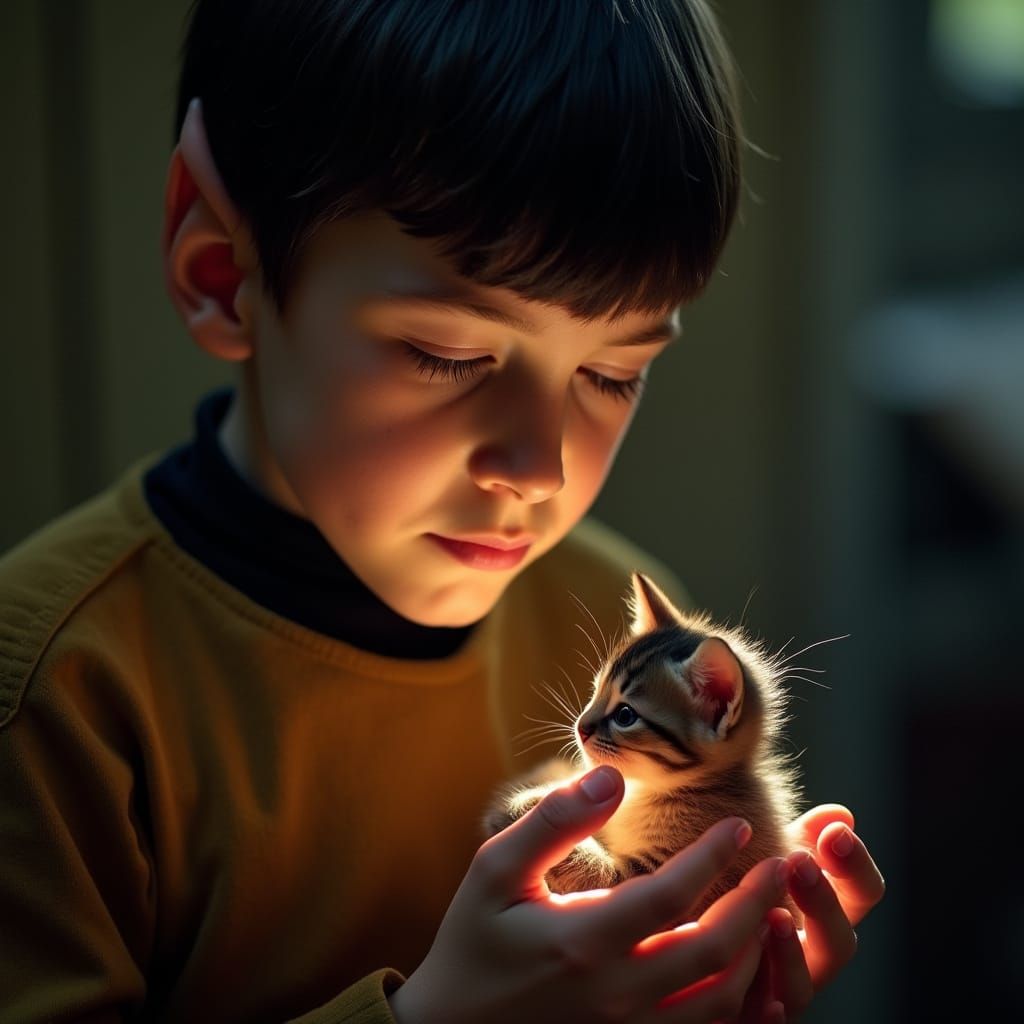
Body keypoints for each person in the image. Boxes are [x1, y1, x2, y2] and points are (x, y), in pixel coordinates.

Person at [0, 1, 884, 1021]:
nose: (535, 468)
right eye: (449, 355)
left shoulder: (615, 612)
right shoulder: (50, 696)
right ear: (219, 271)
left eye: (612, 371)